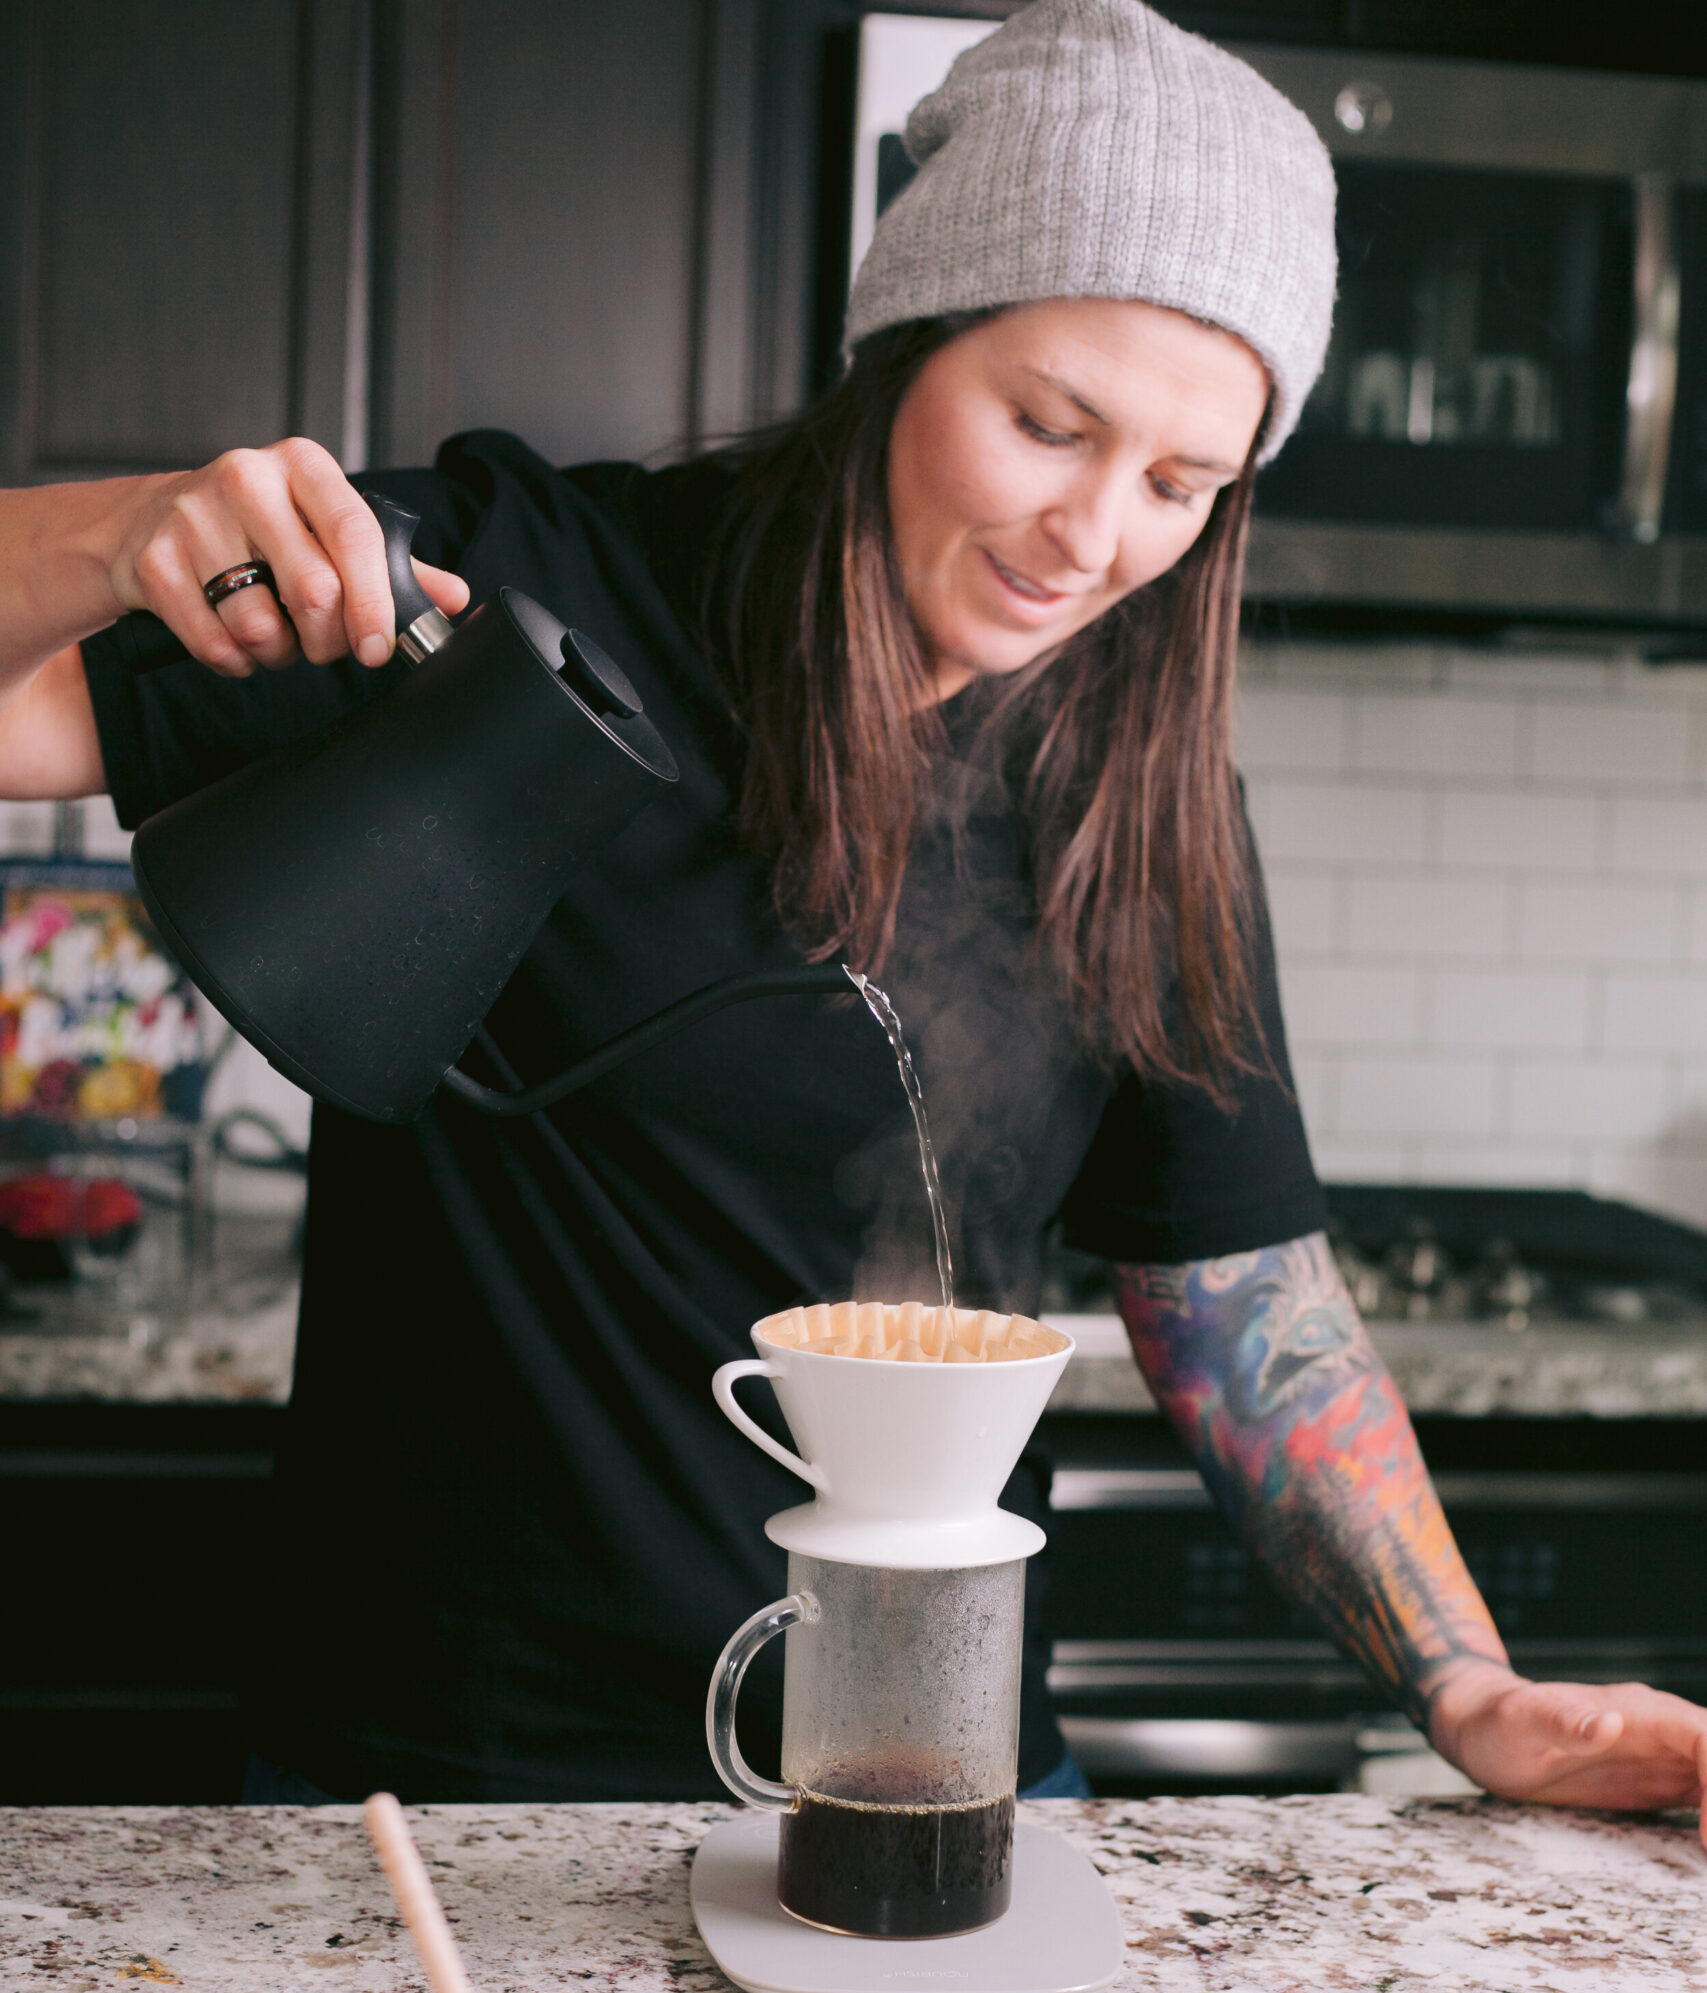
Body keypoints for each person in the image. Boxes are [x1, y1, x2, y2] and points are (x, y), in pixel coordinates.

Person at [3, 0, 1705, 1831]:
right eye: (1050, 426)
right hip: (451, 1800)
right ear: (905, 342)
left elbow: (1235, 1296)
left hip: (939, 1787)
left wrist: (1470, 1685)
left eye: (1182, 487)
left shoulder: (1144, 799)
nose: (1094, 535)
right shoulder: (511, 599)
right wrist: (122, 537)